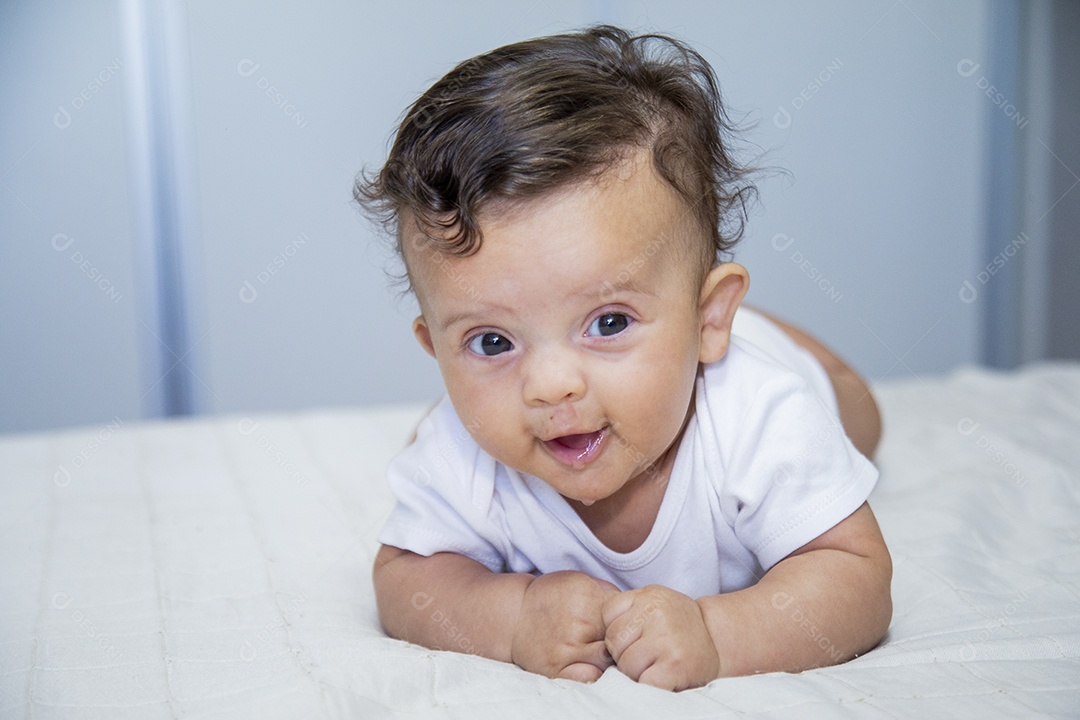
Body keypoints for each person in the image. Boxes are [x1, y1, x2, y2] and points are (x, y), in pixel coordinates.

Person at [355, 24, 891, 692]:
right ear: (434, 349)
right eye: (492, 341)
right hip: (688, 330)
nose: (550, 386)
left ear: (707, 320)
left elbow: (855, 574)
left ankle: (765, 335)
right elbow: (406, 578)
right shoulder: (464, 449)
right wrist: (512, 617)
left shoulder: (762, 414)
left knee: (858, 421)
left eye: (607, 322)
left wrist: (719, 636)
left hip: (777, 366)